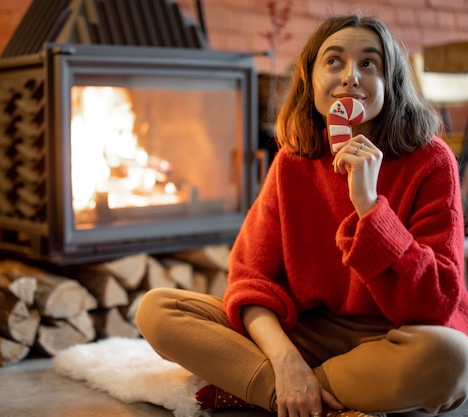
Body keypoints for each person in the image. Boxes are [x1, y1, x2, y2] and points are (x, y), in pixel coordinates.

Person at [135, 14, 468, 417]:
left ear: (390, 83)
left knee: (452, 358)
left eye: (369, 63)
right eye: (333, 61)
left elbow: (435, 304)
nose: (350, 76)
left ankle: (263, 393)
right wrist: (285, 361)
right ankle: (306, 392)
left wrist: (369, 206)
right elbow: (250, 280)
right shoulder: (293, 163)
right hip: (305, 333)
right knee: (157, 309)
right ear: (310, 81)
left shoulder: (431, 161)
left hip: (395, 335)